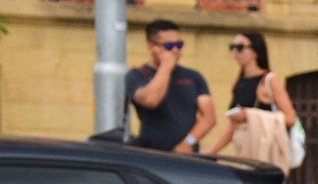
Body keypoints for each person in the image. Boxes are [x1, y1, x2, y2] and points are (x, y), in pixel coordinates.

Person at [207, 30, 299, 173]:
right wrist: (212, 151)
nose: (235, 52)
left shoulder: (269, 80)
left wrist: (250, 115)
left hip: (267, 154)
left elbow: (290, 118)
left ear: (255, 51)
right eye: (233, 47)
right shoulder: (238, 82)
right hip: (246, 153)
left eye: (240, 47)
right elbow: (233, 126)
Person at [125, 20, 216, 154]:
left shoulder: (193, 77)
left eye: (179, 45)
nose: (175, 50)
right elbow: (150, 100)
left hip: (186, 155)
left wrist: (188, 142)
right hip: (151, 154)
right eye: (168, 46)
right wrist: (166, 66)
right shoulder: (137, 75)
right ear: (150, 46)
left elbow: (209, 117)